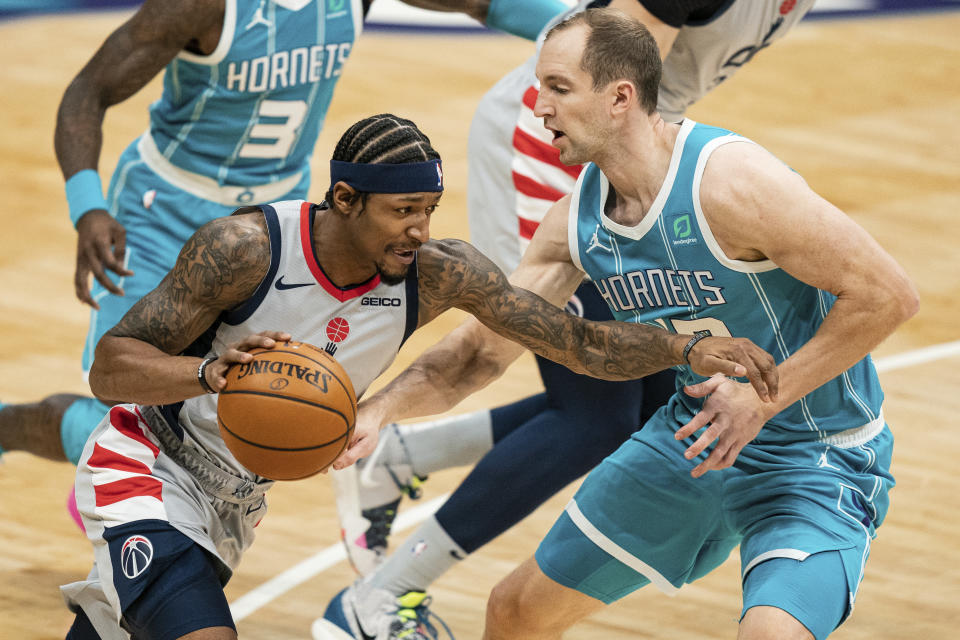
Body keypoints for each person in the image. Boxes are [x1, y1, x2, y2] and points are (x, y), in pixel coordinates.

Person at [319, 10, 918, 640]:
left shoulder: (731, 183)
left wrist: (760, 401)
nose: (538, 104)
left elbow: (888, 297)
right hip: (690, 444)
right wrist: (378, 410)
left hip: (814, 457)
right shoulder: (574, 225)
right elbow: (479, 354)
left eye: (557, 88)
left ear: (619, 99)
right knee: (514, 612)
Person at [61, 113, 776, 640]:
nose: (420, 231)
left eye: (428, 209)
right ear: (344, 200)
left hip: (238, 499)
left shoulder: (436, 274)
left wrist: (683, 350)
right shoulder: (245, 249)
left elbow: (574, 340)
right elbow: (111, 369)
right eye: (402, 211)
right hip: (148, 467)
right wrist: (210, 373)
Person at [0, 0, 570, 467]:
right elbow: (87, 91)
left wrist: (575, 30)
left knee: (257, 394)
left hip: (275, 223)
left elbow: (483, 3)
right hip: (165, 208)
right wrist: (88, 208)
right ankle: (13, 429)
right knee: (127, 401)